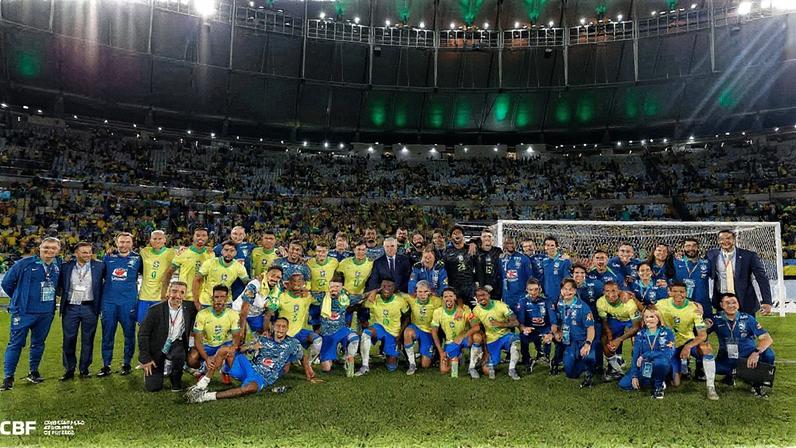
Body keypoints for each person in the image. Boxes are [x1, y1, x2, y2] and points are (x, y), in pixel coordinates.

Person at [185, 317, 322, 403]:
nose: (280, 329)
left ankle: (204, 397)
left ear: (287, 329)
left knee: (249, 388)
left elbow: (303, 356)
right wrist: (252, 346)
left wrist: (310, 375)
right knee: (224, 350)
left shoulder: (293, 343)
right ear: (273, 327)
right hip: (248, 367)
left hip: (262, 377)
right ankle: (201, 386)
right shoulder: (263, 339)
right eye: (278, 326)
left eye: (283, 326)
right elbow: (240, 349)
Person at [1, 237, 62, 391]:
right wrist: (18, 298)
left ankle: (33, 372)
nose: (49, 250)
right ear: (40, 247)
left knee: (38, 343)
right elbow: (6, 283)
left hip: (46, 312)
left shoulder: (57, 266)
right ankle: (8, 377)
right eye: (46, 247)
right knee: (15, 343)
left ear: (58, 250)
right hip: (23, 312)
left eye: (53, 248)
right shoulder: (24, 264)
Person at [654, 281, 719, 400]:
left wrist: (688, 346)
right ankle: (672, 372)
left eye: (682, 291)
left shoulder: (693, 308)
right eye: (675, 291)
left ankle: (711, 387)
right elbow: (646, 310)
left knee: (706, 348)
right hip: (670, 344)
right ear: (669, 292)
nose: (678, 294)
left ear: (686, 292)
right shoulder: (661, 304)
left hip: (687, 341)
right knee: (676, 383)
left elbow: (702, 335)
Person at [711, 293, 775, 397]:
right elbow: (701, 334)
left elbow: (767, 339)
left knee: (768, 354)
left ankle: (758, 384)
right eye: (727, 303)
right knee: (712, 366)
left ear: (738, 304)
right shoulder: (715, 319)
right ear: (721, 305)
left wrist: (756, 353)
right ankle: (731, 375)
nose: (731, 305)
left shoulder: (748, 318)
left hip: (747, 357)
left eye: (734, 302)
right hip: (727, 358)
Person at [138, 281, 197, 392]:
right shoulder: (155, 310)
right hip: (157, 347)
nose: (178, 295)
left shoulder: (189, 308)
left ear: (185, 295)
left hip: (176, 344)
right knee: (153, 387)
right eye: (174, 291)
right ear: (168, 292)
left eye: (182, 292)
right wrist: (145, 358)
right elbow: (143, 334)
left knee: (179, 354)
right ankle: (163, 367)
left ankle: (175, 378)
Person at [58, 241, 104, 381]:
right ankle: (69, 369)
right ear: (76, 253)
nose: (88, 255)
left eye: (90, 252)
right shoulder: (66, 266)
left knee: (88, 339)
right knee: (69, 339)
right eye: (84, 252)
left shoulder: (100, 266)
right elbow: (59, 285)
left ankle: (84, 369)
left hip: (90, 307)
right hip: (71, 307)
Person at [98, 232, 142, 378]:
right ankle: (106, 365)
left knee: (129, 334)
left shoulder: (138, 258)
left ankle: (126, 363)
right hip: (109, 302)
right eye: (121, 242)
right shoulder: (108, 257)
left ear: (132, 243)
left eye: (127, 242)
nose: (124, 245)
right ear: (116, 243)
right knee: (107, 334)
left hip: (128, 303)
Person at [707, 230, 772, 316]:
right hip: (722, 301)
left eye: (728, 238)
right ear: (718, 241)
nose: (725, 241)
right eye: (722, 239)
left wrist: (767, 301)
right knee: (724, 324)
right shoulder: (711, 255)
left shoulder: (749, 256)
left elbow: (762, 278)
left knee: (747, 325)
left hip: (745, 300)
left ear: (734, 239)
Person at [618, 308, 675, 399]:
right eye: (646, 317)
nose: (649, 319)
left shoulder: (667, 332)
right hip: (645, 365)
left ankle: (659, 386)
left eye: (652, 317)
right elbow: (635, 356)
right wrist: (634, 376)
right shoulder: (640, 334)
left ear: (658, 318)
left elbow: (667, 354)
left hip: (662, 364)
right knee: (624, 384)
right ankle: (652, 380)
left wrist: (645, 355)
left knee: (660, 363)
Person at [356, 278, 410, 376]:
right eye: (384, 286)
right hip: (378, 328)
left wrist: (400, 334)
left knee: (391, 367)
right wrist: (363, 322)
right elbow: (359, 307)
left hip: (393, 333)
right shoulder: (374, 298)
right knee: (366, 333)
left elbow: (407, 317)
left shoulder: (400, 301)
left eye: (389, 286)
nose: (386, 289)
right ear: (380, 287)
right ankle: (365, 365)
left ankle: (392, 355)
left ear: (394, 288)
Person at [550, 278, 596, 387]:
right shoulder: (560, 304)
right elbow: (559, 322)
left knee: (588, 357)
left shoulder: (583, 306)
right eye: (565, 289)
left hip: (583, 341)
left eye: (570, 289)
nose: (567, 292)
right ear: (561, 290)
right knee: (570, 373)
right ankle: (577, 362)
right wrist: (557, 332)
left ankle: (590, 370)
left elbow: (591, 328)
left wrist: (587, 344)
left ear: (575, 291)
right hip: (570, 342)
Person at [266, 273, 323, 361]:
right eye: (293, 281)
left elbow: (322, 297)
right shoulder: (281, 297)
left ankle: (308, 361)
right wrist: (268, 329)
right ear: (288, 283)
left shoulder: (307, 296)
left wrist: (310, 291)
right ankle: (295, 358)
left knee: (318, 341)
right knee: (285, 361)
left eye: (299, 281)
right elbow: (269, 313)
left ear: (303, 283)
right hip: (284, 334)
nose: (296, 283)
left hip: (299, 332)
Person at [430, 288, 483, 378]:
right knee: (444, 370)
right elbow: (434, 332)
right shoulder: (438, 312)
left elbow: (476, 327)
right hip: (451, 341)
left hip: (466, 338)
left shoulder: (465, 309)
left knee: (477, 337)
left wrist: (462, 336)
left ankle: (472, 366)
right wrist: (441, 352)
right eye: (445, 296)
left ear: (455, 297)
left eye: (450, 296)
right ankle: (459, 357)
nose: (448, 299)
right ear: (442, 299)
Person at [187, 285, 242, 371]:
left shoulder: (233, 314)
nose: (219, 300)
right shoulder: (202, 314)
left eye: (222, 297)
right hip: (207, 346)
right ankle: (202, 368)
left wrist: (232, 349)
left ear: (227, 299)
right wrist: (207, 358)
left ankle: (225, 369)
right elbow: (198, 341)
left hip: (224, 344)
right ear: (212, 298)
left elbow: (236, 337)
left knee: (233, 355)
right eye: (216, 297)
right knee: (192, 359)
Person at [471, 287, 521, 380]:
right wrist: (485, 350)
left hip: (505, 335)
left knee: (516, 341)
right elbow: (475, 327)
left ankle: (512, 369)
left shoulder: (501, 305)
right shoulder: (476, 310)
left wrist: (501, 324)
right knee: (487, 370)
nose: (482, 298)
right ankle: (479, 362)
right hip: (491, 339)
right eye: (479, 296)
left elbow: (516, 322)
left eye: (484, 295)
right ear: (476, 298)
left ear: (489, 295)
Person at [596, 282, 642, 380]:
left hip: (630, 321)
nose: (611, 294)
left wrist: (619, 339)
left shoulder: (629, 302)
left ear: (619, 291)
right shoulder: (600, 302)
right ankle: (615, 367)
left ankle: (638, 368)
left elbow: (636, 327)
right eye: (607, 291)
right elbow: (604, 321)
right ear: (603, 292)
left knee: (638, 338)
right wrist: (609, 336)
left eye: (614, 291)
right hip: (616, 320)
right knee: (604, 338)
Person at [318, 274, 359, 377]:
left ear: (342, 287)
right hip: (327, 333)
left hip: (342, 330)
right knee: (326, 368)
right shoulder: (322, 296)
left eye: (337, 286)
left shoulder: (345, 297)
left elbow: (361, 297)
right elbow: (307, 294)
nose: (334, 289)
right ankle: (334, 350)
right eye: (332, 286)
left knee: (354, 338)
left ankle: (349, 359)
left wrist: (374, 292)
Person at [161, 227, 213, 304]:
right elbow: (169, 272)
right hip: (185, 298)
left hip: (204, 299)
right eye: (198, 235)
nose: (200, 238)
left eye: (204, 235)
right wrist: (165, 292)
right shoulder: (183, 252)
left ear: (207, 237)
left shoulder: (211, 254)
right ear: (193, 237)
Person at [193, 240, 250, 310]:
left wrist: (256, 282)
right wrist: (196, 301)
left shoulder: (239, 267)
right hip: (207, 302)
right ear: (222, 251)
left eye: (232, 251)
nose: (228, 253)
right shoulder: (210, 263)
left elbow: (247, 283)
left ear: (235, 253)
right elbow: (196, 279)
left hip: (226, 302)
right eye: (226, 250)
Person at [403, 281, 443, 375]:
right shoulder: (411, 299)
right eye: (420, 292)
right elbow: (398, 293)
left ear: (430, 292)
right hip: (415, 328)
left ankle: (430, 353)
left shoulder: (437, 301)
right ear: (415, 292)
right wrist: (375, 291)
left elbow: (449, 301)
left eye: (425, 291)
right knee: (407, 332)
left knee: (425, 365)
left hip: (428, 332)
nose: (422, 294)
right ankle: (412, 363)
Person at [516, 279, 555, 372]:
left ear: (540, 289)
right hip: (531, 329)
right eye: (530, 290)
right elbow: (520, 323)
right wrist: (524, 329)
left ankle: (546, 356)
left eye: (536, 289)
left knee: (548, 338)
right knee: (523, 335)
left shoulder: (547, 301)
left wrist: (551, 333)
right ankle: (526, 359)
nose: (533, 292)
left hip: (545, 329)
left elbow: (554, 321)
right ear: (526, 290)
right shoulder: (522, 302)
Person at [138, 230, 175, 323]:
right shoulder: (144, 252)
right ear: (150, 240)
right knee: (142, 324)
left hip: (160, 296)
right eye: (154, 239)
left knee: (159, 325)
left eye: (160, 239)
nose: (157, 241)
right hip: (144, 296)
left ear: (164, 240)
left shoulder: (171, 253)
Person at [234, 266, 283, 336]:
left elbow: (268, 313)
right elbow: (244, 309)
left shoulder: (277, 290)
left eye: (278, 277)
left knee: (266, 331)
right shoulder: (254, 285)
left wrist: (265, 330)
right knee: (240, 335)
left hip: (255, 315)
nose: (275, 279)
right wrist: (241, 329)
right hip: (238, 312)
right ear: (267, 274)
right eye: (272, 275)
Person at [336, 241, 374, 328]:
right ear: (354, 250)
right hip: (346, 297)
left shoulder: (371, 264)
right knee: (345, 324)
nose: (361, 252)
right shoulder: (344, 262)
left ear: (366, 250)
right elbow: (337, 279)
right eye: (358, 249)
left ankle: (363, 335)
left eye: (363, 250)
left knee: (364, 324)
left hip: (362, 298)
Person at [673, 238, 712, 319]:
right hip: (682, 303)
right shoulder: (675, 263)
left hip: (702, 303)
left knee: (704, 325)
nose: (691, 248)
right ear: (683, 248)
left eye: (694, 246)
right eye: (688, 246)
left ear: (698, 248)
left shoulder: (707, 263)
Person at [213, 225, 255, 299]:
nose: (237, 237)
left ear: (245, 235)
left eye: (241, 234)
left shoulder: (250, 247)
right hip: (225, 281)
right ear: (231, 234)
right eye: (235, 234)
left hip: (242, 283)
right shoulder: (220, 247)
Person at [441, 226, 476, 306]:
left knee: (472, 311)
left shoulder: (471, 249)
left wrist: (475, 243)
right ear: (451, 237)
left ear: (463, 235)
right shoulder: (446, 252)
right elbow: (444, 270)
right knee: (457, 311)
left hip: (470, 289)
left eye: (459, 233)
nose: (457, 235)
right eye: (454, 233)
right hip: (455, 289)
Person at [307, 242, 339, 329]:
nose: (321, 254)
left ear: (327, 252)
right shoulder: (309, 262)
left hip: (328, 299)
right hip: (314, 298)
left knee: (328, 323)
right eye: (318, 251)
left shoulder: (334, 262)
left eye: (323, 251)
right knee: (315, 325)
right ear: (315, 252)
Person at [499, 236, 534, 312]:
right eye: (507, 243)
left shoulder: (524, 259)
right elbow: (500, 276)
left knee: (521, 317)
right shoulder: (501, 259)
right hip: (506, 297)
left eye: (512, 243)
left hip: (520, 297)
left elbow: (530, 279)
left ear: (516, 244)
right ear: (504, 244)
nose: (510, 245)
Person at [474, 229, 503, 300]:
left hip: (495, 290)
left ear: (493, 238)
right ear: (481, 238)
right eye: (484, 236)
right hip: (480, 289)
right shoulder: (476, 252)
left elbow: (500, 270)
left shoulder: (498, 251)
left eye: (489, 236)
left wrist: (492, 285)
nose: (487, 238)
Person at [540, 236, 572, 302]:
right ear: (544, 247)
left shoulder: (564, 261)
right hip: (547, 296)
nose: (550, 247)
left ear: (557, 247)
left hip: (560, 297)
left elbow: (567, 280)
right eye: (547, 245)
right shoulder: (544, 261)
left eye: (552, 245)